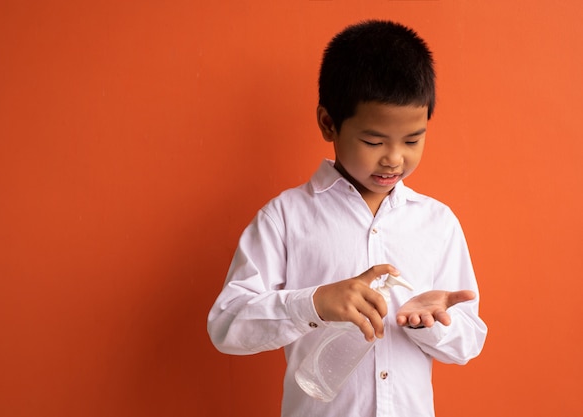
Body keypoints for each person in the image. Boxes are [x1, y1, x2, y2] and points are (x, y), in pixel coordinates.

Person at [207, 19, 487, 417]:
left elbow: (469, 341)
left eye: (413, 140)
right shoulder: (286, 218)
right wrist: (315, 303)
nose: (394, 158)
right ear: (328, 123)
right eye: (374, 141)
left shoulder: (438, 224)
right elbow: (226, 325)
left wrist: (430, 322)